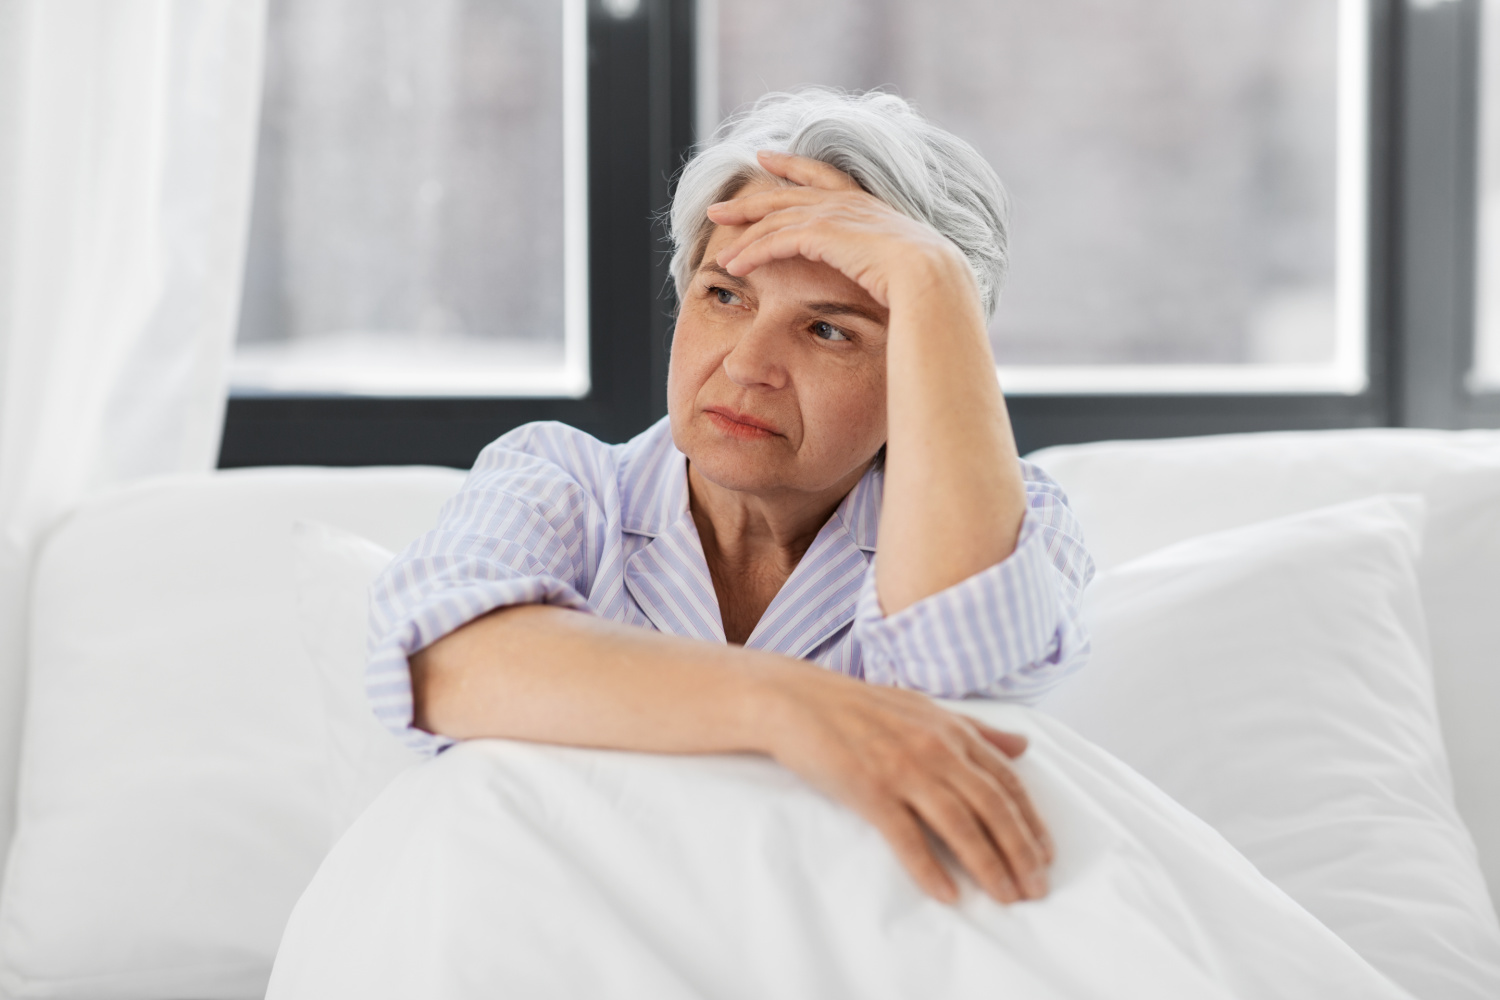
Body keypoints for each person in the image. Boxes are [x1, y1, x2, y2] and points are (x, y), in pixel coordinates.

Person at [367, 87, 1094, 908]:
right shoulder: (562, 482)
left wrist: (931, 276)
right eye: (725, 295)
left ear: (924, 363)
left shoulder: (1024, 518)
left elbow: (967, 668)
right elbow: (442, 665)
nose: (748, 365)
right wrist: (788, 707)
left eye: (830, 329)